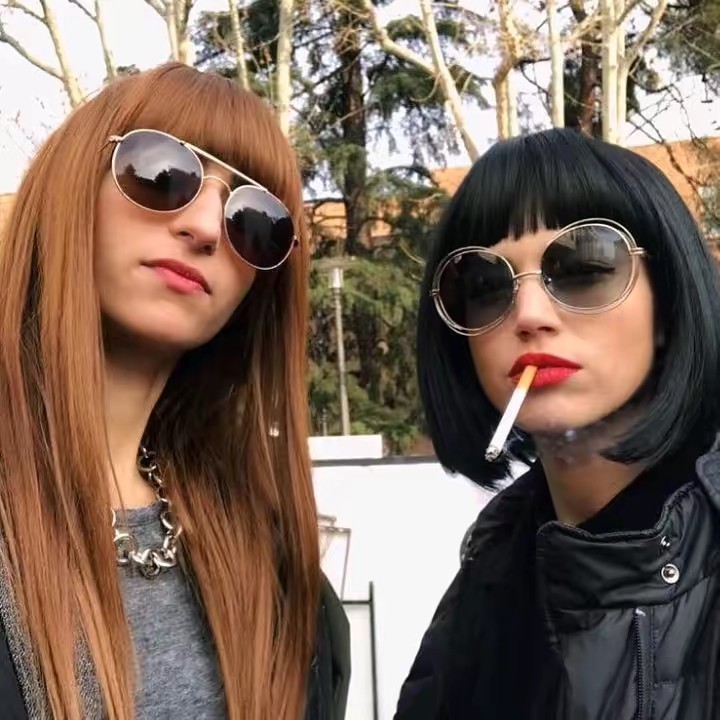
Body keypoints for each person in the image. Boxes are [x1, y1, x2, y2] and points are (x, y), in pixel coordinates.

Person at [0, 63, 349, 720]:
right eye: (161, 171)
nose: (207, 228)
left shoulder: (279, 582)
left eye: (254, 218)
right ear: (72, 184)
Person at [395, 128, 720, 719]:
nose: (529, 314)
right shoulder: (489, 577)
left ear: (668, 303)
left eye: (583, 265)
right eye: (486, 284)